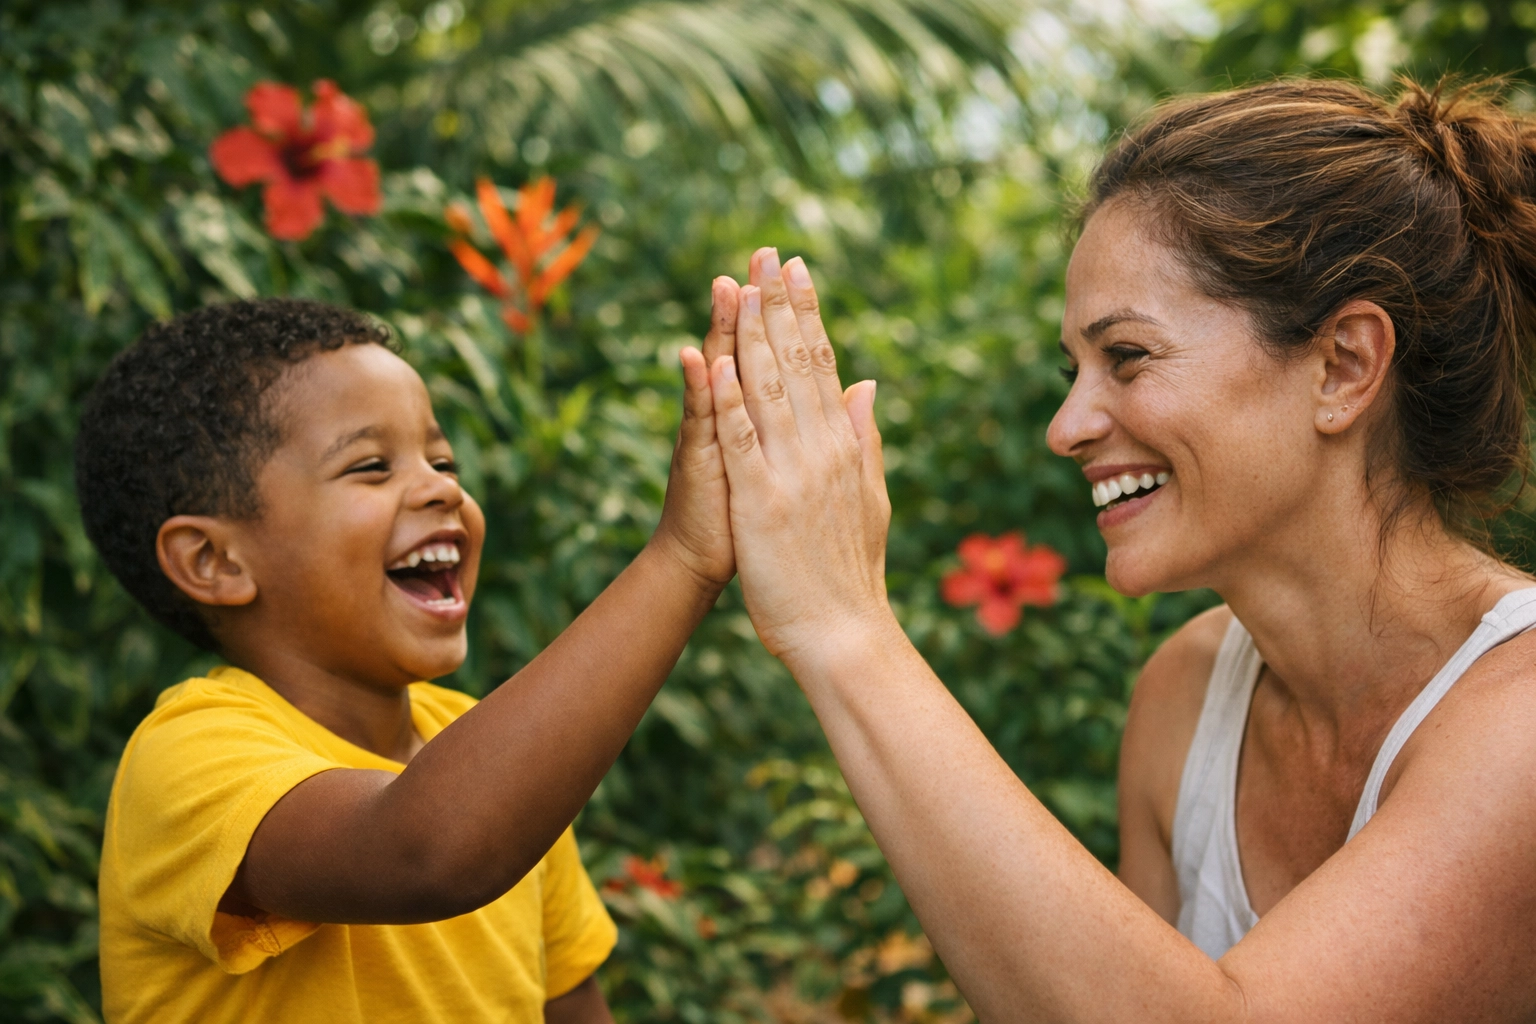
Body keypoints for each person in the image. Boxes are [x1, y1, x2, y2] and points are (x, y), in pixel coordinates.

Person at [705, 78, 1536, 1020]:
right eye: (1075, 370)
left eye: (1127, 357)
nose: (1067, 426)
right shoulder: (1183, 697)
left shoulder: (1521, 722)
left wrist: (846, 625)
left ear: (1343, 366)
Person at [77, 292, 741, 1023]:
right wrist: (681, 560)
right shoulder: (188, 758)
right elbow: (427, 853)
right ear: (213, 560)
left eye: (441, 458)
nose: (441, 488)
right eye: (370, 466)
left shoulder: (488, 752)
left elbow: (571, 1008)